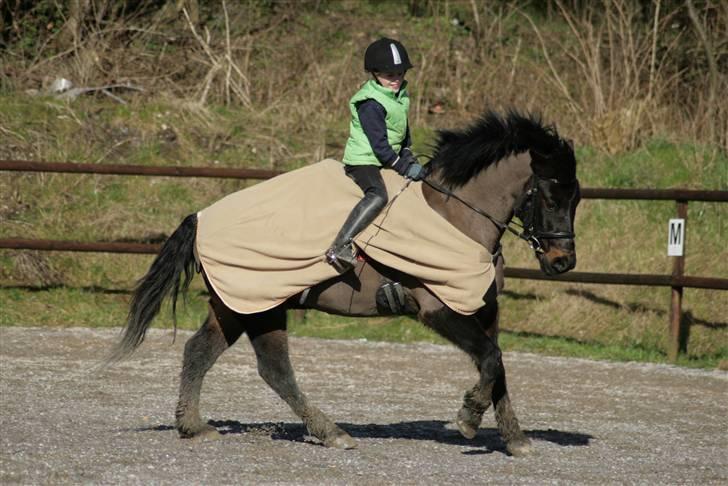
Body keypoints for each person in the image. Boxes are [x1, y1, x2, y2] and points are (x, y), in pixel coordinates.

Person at [325, 37, 426, 274]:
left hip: (387, 156)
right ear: (375, 73)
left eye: (400, 73)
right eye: (390, 75)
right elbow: (380, 147)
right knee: (378, 195)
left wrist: (409, 153)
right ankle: (339, 246)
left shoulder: (399, 95)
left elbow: (403, 131)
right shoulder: (370, 103)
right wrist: (402, 167)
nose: (396, 79)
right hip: (364, 161)